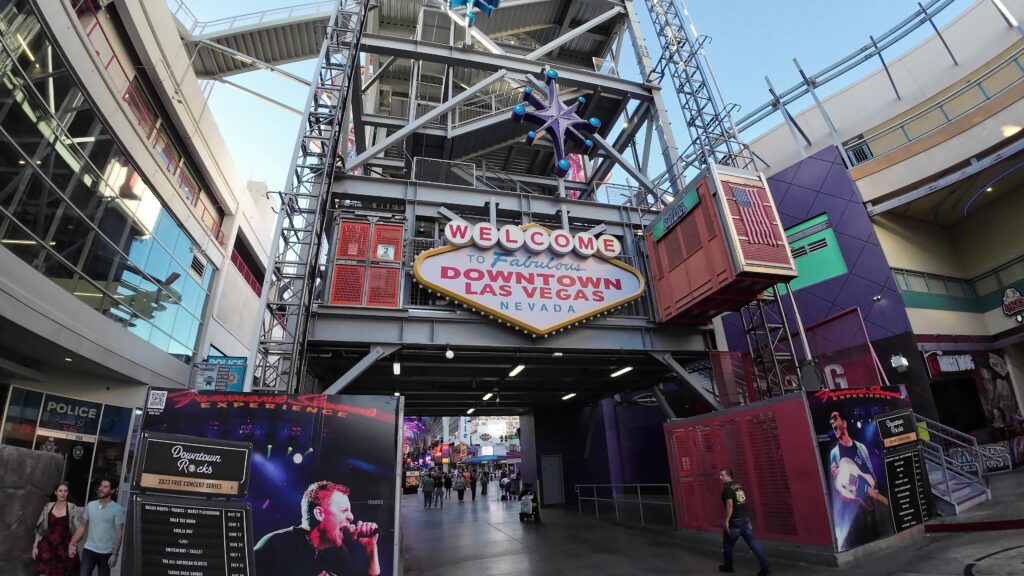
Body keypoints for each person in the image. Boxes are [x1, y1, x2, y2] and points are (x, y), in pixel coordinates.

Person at [254, 481, 380, 576]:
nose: (351, 517)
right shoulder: (276, 545)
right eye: (344, 510)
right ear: (319, 514)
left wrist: (370, 547)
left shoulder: (335, 551)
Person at [828, 410, 891, 550]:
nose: (832, 422)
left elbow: (869, 468)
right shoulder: (834, 453)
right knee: (865, 531)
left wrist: (873, 484)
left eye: (835, 418)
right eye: (831, 420)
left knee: (880, 524)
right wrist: (836, 475)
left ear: (843, 423)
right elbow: (839, 480)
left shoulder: (860, 446)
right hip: (856, 498)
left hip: (872, 490)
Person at [718, 469, 770, 576]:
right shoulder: (737, 485)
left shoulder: (727, 488)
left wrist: (726, 521)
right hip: (745, 519)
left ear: (728, 476)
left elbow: (730, 505)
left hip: (735, 521)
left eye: (722, 475)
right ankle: (765, 567)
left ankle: (728, 567)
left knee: (728, 545)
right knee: (753, 542)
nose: (720, 477)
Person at [68, 478, 124, 576]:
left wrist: (115, 554)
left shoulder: (117, 509)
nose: (101, 489)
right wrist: (72, 543)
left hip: (106, 553)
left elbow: (119, 532)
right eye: (101, 486)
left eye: (105, 487)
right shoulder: (91, 505)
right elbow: (82, 526)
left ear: (112, 490)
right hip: (89, 549)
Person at [33, 481, 81, 576]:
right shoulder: (48, 506)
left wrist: (73, 545)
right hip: (46, 546)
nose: (63, 493)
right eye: (60, 491)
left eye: (65, 491)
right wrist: (35, 546)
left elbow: (78, 530)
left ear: (68, 493)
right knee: (43, 572)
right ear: (56, 492)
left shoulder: (72, 508)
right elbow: (40, 528)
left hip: (63, 548)